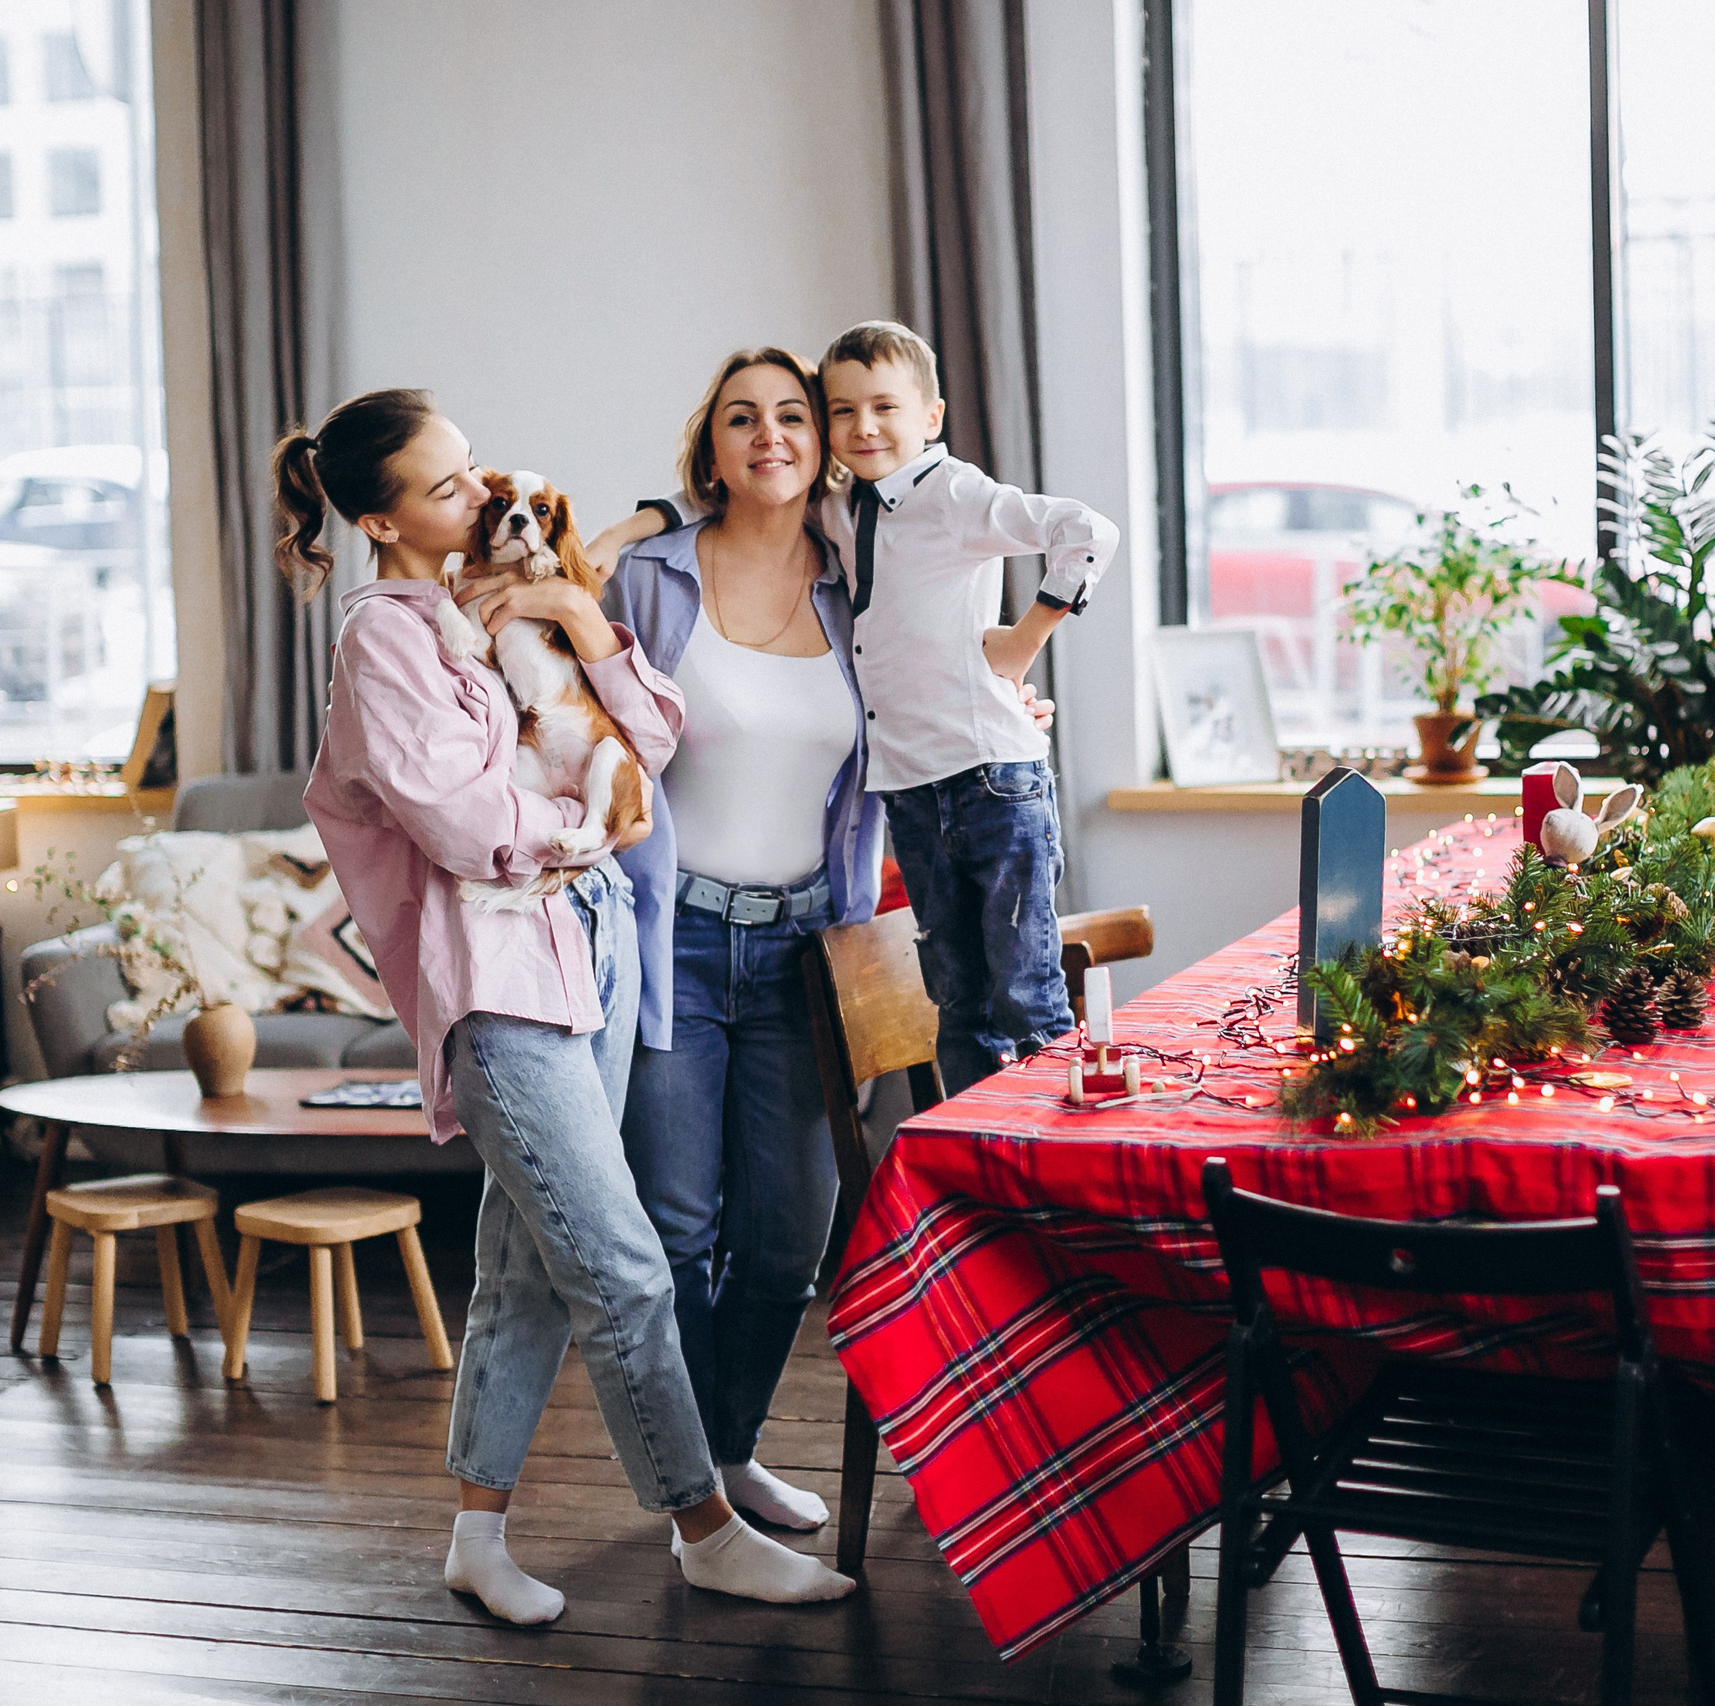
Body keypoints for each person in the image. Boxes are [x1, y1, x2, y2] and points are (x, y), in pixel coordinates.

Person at [450, 347, 1060, 1538]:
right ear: (711, 445)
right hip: (668, 934)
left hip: (807, 947)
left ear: (825, 440)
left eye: (794, 415)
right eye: (743, 417)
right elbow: (557, 690)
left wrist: (1003, 699)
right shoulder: (649, 574)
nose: (771, 434)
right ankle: (691, 1496)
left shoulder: (861, 578)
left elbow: (932, 686)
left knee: (788, 1235)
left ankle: (729, 1450)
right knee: (675, 1227)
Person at [276, 387, 855, 1626]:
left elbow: (655, 730)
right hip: (496, 976)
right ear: (379, 518)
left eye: (476, 466)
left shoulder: (491, 599)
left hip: (595, 943)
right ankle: (704, 1526)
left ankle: (475, 1536)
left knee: (523, 1268)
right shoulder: (385, 638)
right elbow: (467, 824)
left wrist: (580, 619)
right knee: (626, 1263)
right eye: (445, 488)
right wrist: (582, 827)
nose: (481, 495)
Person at [606, 320, 1118, 1094]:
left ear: (931, 416)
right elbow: (723, 493)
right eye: (843, 411)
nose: (862, 427)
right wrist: (626, 527)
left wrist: (1018, 650)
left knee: (1022, 990)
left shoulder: (914, 513)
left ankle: (1044, 1146)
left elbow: (1081, 533)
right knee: (958, 998)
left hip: (942, 813)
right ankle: (977, 1142)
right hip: (856, 824)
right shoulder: (835, 523)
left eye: (881, 407)